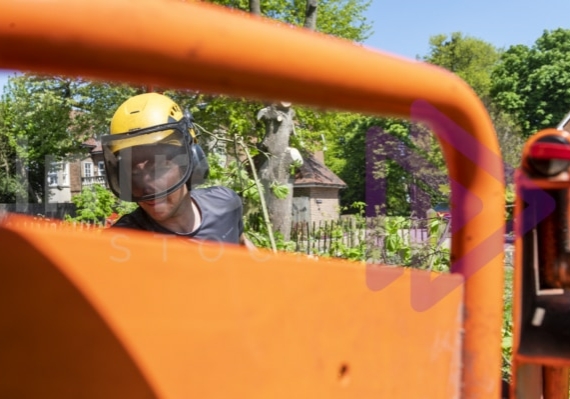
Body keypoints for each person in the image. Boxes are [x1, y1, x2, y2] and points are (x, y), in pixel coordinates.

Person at [101, 92, 255, 249]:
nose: (146, 186)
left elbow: (244, 246)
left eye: (158, 168)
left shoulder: (225, 203)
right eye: (134, 174)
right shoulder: (121, 242)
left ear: (192, 159)